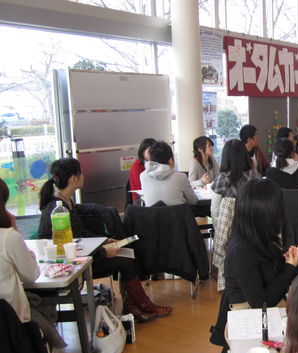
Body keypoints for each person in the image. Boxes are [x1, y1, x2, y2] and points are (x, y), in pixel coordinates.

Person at [38, 158, 171, 322]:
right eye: (81, 173)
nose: (83, 176)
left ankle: (135, 305)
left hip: (78, 256)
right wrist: (104, 252)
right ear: (73, 178)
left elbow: (80, 236)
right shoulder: (58, 209)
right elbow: (72, 244)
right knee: (126, 262)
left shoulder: (64, 202)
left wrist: (104, 240)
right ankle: (142, 306)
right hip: (69, 264)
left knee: (127, 255)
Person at [211, 178, 298, 353]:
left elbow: (269, 271)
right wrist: (289, 268)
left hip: (265, 313)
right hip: (252, 324)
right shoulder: (241, 251)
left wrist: (297, 253)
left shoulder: (257, 236)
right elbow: (261, 303)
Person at [0, 178, 39, 323]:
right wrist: (15, 230)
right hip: (12, 323)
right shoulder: (8, 237)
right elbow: (31, 275)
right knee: (45, 309)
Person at [210, 139, 260, 226]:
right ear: (245, 155)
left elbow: (215, 210)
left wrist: (217, 229)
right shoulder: (255, 175)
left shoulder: (221, 179)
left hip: (230, 228)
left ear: (225, 157)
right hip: (254, 226)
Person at [140, 140, 198, 206]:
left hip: (152, 213)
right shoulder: (180, 177)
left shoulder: (143, 176)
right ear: (170, 160)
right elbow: (193, 201)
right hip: (176, 212)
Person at [128, 138, 156, 202]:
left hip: (153, 194)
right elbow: (141, 186)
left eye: (154, 151)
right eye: (149, 152)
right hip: (139, 198)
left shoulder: (156, 162)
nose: (153, 154)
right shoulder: (137, 166)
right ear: (142, 152)